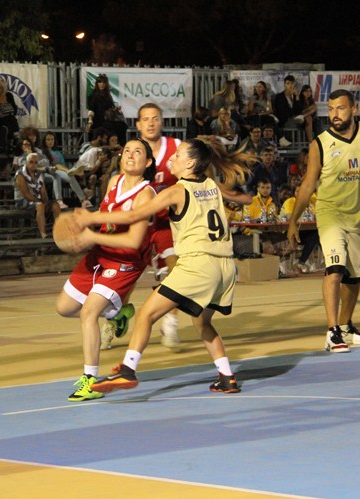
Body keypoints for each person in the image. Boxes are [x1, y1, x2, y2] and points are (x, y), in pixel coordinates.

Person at [74, 138, 247, 395]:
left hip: (198, 265)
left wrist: (92, 217)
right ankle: (227, 376)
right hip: (225, 268)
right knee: (202, 323)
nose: (172, 158)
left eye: (178, 155)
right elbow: (242, 198)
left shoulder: (176, 191)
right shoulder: (211, 184)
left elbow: (134, 215)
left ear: (190, 163)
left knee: (146, 314)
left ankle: (127, 370)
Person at [287, 89, 360, 353]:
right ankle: (332, 331)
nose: (334, 114)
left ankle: (346, 325)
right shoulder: (320, 143)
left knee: (354, 277)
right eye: (331, 109)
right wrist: (294, 220)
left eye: (340, 108)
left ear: (354, 109)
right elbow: (308, 185)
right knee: (335, 269)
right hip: (331, 214)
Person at [55, 139, 157, 401]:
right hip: (101, 253)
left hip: (125, 261)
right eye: (127, 151)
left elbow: (133, 241)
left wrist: (93, 236)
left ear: (147, 162)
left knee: (88, 312)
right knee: (64, 307)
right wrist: (81, 231)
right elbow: (105, 217)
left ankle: (89, 380)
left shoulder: (146, 194)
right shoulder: (113, 182)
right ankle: (117, 313)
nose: (130, 155)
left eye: (138, 152)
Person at [135, 103, 183, 351]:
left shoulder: (176, 148)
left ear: (162, 121)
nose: (151, 123)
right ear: (138, 125)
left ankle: (171, 322)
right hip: (140, 225)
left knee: (175, 272)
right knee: (126, 279)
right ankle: (113, 317)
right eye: (146, 119)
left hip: (167, 224)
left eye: (155, 118)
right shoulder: (132, 151)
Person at [14, 153, 61, 238]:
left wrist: (46, 200)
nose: (33, 164)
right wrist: (40, 201)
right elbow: (26, 194)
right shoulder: (20, 174)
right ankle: (43, 234)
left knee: (55, 205)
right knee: (40, 205)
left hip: (37, 198)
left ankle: (58, 232)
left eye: (35, 162)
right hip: (22, 201)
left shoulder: (39, 174)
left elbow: (43, 191)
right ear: (26, 162)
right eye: (31, 162)